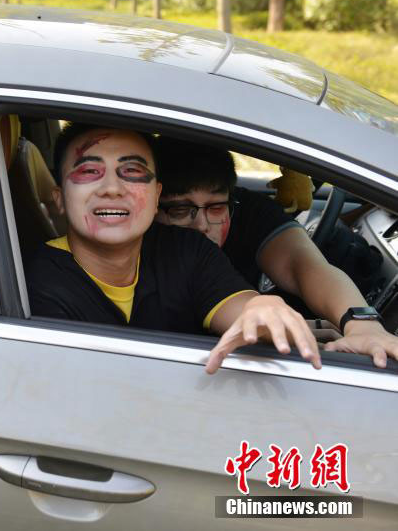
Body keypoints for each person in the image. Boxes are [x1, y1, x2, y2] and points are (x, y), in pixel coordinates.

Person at [26, 123, 324, 374]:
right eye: (90, 171)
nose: (112, 188)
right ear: (60, 199)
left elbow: (243, 310)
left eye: (131, 170)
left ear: (157, 197)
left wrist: (263, 309)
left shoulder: (186, 249)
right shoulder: (38, 282)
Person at [154, 137, 398, 368]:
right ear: (152, 205)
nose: (202, 225)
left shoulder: (247, 212)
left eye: (216, 207)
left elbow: (303, 265)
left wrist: (363, 325)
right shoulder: (144, 248)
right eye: (180, 209)